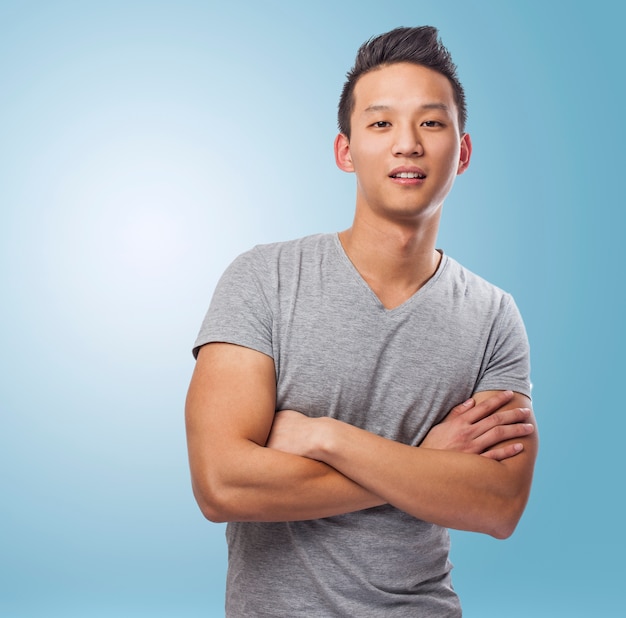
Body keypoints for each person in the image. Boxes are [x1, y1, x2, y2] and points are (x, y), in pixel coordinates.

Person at [185, 25, 538, 617]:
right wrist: (427, 463)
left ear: (463, 150)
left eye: (431, 122)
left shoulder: (493, 316)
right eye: (380, 124)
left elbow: (498, 505)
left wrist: (328, 437)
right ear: (345, 150)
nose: (407, 144)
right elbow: (222, 485)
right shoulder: (263, 279)